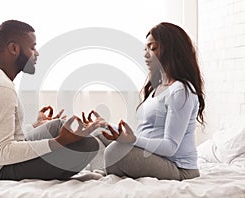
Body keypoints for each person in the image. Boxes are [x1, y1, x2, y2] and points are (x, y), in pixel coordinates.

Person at [0, 20, 101, 181]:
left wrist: (36, 126)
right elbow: (2, 153)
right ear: (14, 48)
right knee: (88, 146)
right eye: (32, 47)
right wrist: (58, 142)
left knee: (58, 126)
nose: (37, 53)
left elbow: (3, 135)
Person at [88, 22, 205, 180]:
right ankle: (107, 167)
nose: (146, 54)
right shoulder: (157, 87)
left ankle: (106, 167)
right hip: (153, 156)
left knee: (115, 151)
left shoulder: (180, 90)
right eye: (145, 48)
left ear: (171, 49)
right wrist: (105, 125)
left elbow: (170, 147)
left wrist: (133, 140)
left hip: (177, 168)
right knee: (97, 133)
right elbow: (145, 133)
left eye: (153, 47)